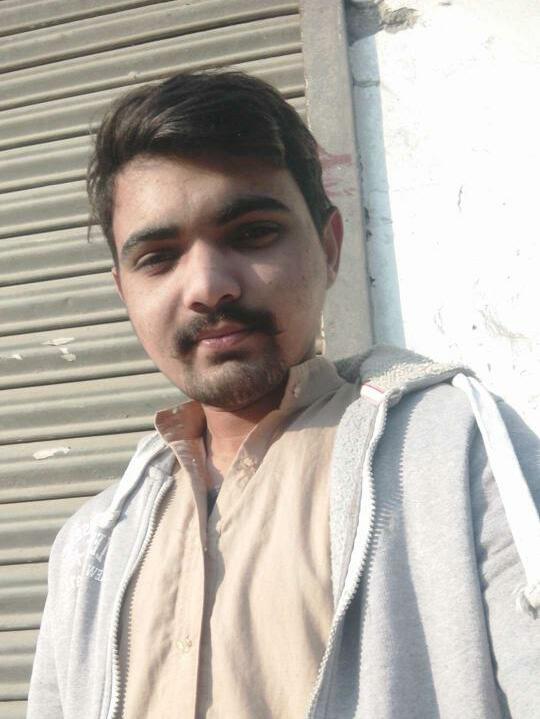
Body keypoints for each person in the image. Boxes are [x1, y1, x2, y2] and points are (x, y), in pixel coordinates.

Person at [27, 70, 539, 719]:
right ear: (125, 291)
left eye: (252, 233)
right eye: (158, 256)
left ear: (329, 248)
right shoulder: (91, 544)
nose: (208, 287)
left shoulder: (456, 452)